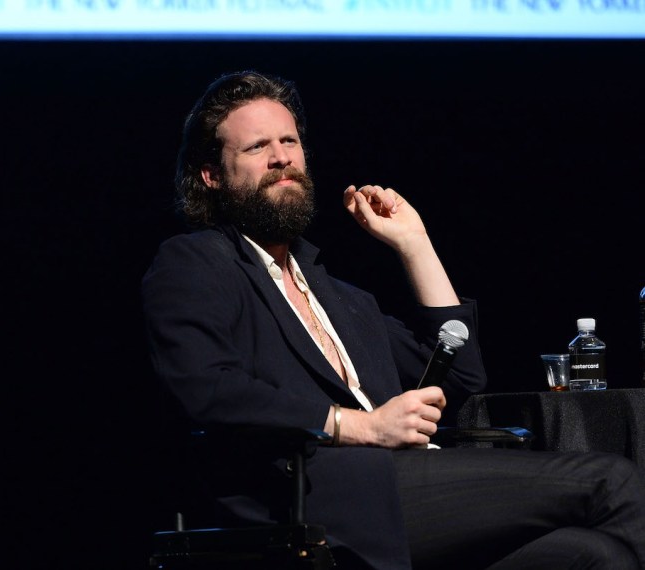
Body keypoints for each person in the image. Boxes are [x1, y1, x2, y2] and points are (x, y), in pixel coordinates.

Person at [141, 70, 645, 569]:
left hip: (405, 481)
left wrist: (414, 243)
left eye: (289, 141)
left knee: (595, 555)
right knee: (613, 481)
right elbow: (206, 387)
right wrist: (363, 426)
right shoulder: (196, 262)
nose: (281, 157)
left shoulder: (337, 296)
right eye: (257, 147)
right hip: (314, 497)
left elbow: (460, 376)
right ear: (212, 175)